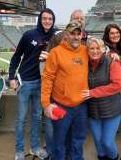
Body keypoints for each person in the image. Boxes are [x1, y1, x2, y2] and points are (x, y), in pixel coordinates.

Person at [9, 8, 57, 160]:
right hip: (25, 81)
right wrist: (11, 77)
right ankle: (19, 151)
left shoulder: (56, 36)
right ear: (40, 19)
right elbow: (16, 57)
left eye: (50, 19)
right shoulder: (29, 35)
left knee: (37, 117)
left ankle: (35, 147)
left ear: (53, 20)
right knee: (21, 119)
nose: (47, 21)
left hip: (42, 83)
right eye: (45, 18)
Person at [41, 21, 89, 160]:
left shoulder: (85, 50)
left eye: (78, 33)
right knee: (59, 143)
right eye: (72, 33)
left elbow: (101, 55)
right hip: (61, 105)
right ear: (66, 35)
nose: (75, 36)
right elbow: (47, 78)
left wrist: (113, 55)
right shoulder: (55, 53)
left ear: (81, 35)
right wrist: (46, 104)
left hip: (81, 106)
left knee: (78, 141)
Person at [82, 37, 121, 160]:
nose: (95, 51)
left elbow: (118, 85)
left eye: (98, 48)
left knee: (107, 142)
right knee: (98, 142)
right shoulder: (84, 63)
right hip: (93, 111)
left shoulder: (112, 61)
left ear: (103, 49)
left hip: (111, 110)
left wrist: (93, 92)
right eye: (92, 48)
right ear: (87, 50)